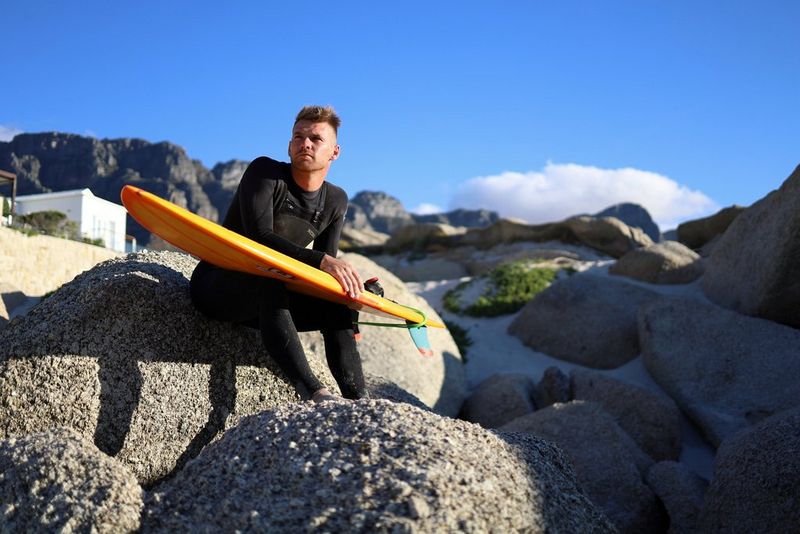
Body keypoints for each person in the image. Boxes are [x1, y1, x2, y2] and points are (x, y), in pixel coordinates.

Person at [189, 105, 367, 403]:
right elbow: (260, 239)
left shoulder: (336, 200)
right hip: (218, 287)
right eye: (298, 136)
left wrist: (353, 296)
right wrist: (323, 261)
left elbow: (320, 275)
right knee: (268, 280)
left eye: (315, 138)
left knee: (335, 308)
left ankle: (359, 401)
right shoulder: (265, 173)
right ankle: (315, 392)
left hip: (270, 309)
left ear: (334, 152)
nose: (305, 143)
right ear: (288, 145)